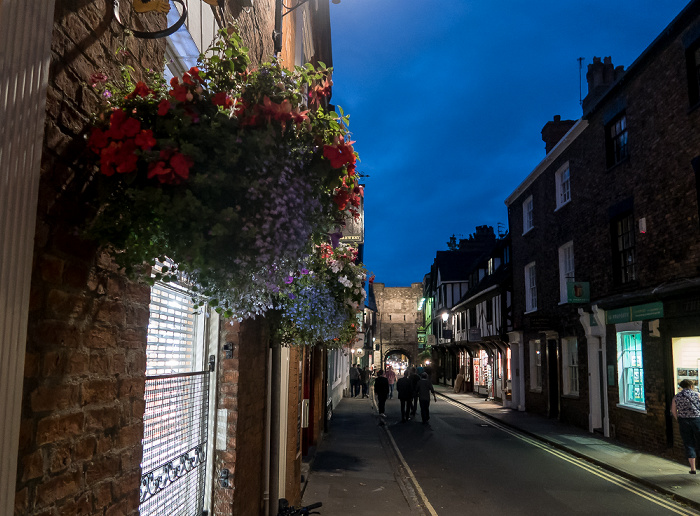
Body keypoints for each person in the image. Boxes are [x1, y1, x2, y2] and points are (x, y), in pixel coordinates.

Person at [671, 379, 700, 474]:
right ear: (691, 386)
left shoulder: (677, 397)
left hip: (684, 421)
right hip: (697, 420)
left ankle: (693, 468)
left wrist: (678, 419)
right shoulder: (697, 395)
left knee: (689, 443)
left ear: (682, 387)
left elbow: (673, 411)